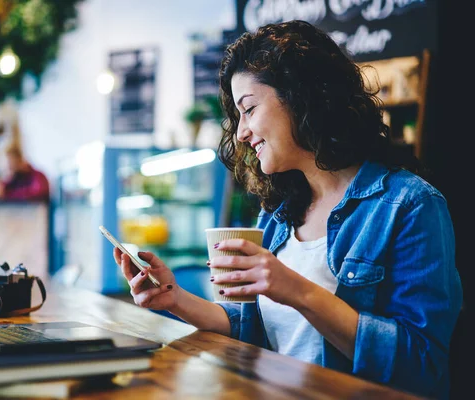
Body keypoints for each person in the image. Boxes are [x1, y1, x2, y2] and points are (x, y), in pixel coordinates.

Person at [112, 20, 462, 399]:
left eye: (249, 109)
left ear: (301, 97)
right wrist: (173, 297)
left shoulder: (409, 205)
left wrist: (295, 289)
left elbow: (423, 366)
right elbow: (250, 325)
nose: (241, 132)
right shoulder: (279, 215)